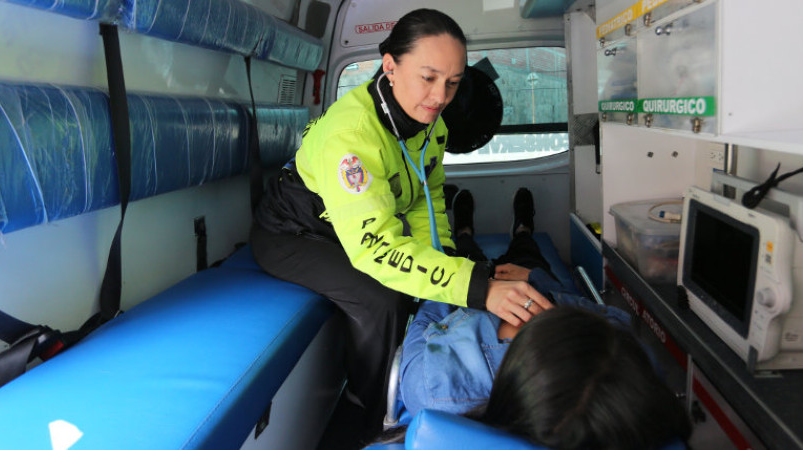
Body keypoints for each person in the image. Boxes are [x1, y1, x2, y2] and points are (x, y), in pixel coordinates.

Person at [249, 8, 551, 444]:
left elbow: (422, 205)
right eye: (428, 78)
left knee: (439, 276)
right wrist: (479, 287)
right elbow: (375, 248)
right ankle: (368, 412)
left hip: (351, 229)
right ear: (390, 66)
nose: (439, 96)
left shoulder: (432, 126)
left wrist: (445, 262)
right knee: (382, 299)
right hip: (291, 233)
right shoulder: (351, 138)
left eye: (452, 82)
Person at [380, 189, 693, 448]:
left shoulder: (438, 388)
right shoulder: (622, 356)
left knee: (463, 259)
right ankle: (523, 231)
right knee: (527, 257)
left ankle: (464, 231)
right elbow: (602, 314)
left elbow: (422, 324)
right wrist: (537, 281)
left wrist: (464, 289)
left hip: (468, 301)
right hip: (535, 287)